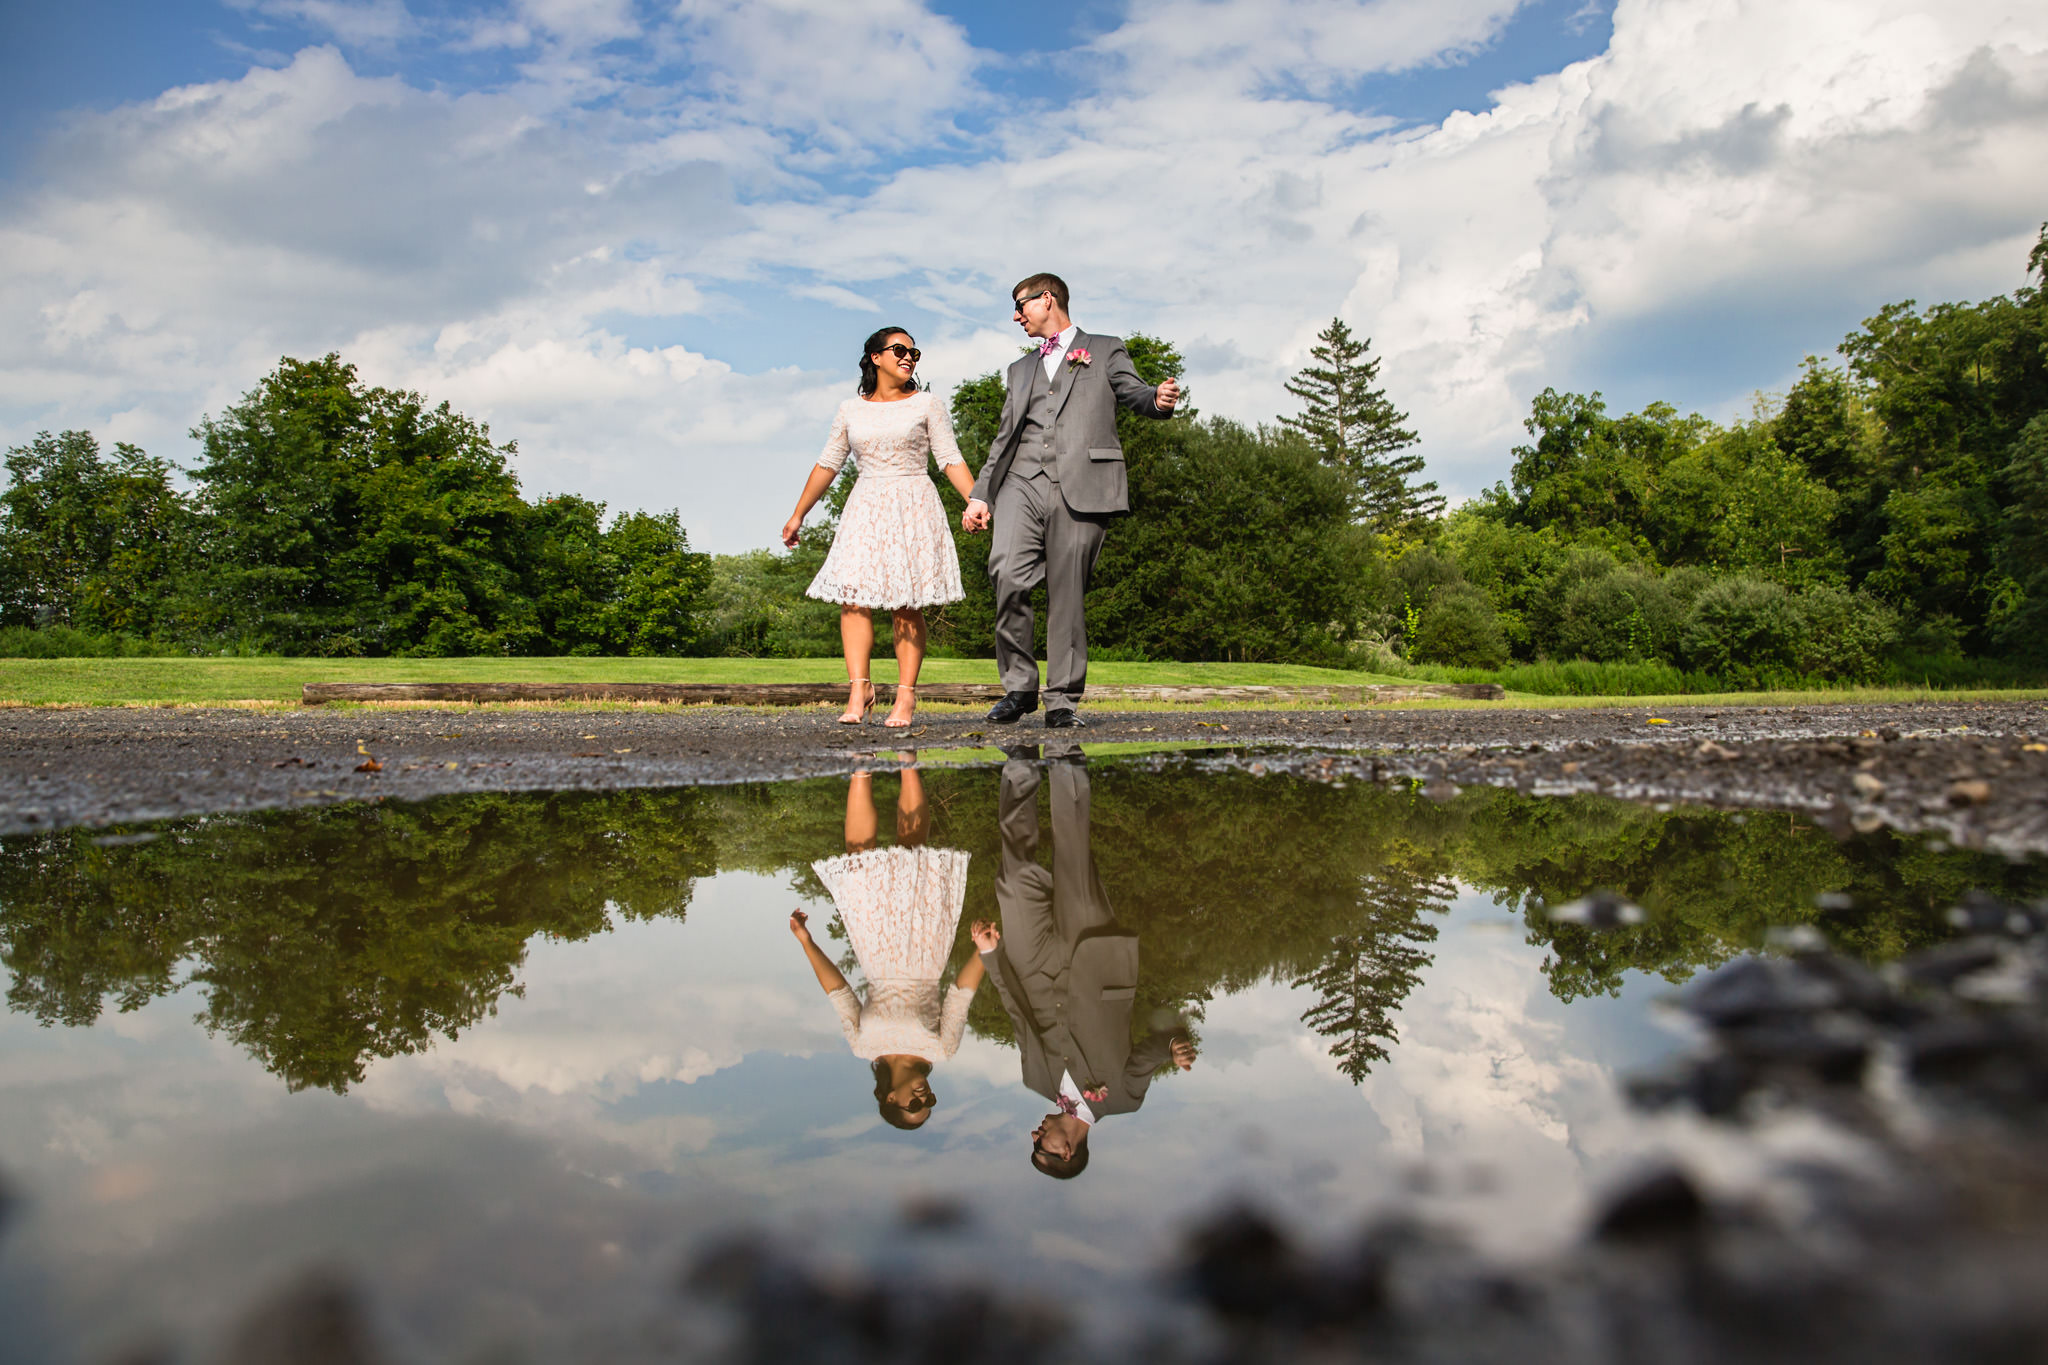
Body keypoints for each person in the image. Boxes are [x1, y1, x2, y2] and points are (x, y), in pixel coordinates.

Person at [960, 275, 1182, 729]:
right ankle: (1020, 687)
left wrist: (1156, 401)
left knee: (1067, 593)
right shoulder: (1019, 370)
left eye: (1020, 306)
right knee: (1006, 572)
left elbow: (1134, 392)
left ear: (1047, 300)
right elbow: (1005, 438)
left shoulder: (1104, 349)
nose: (1016, 316)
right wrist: (981, 493)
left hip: (1083, 483)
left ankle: (1061, 700)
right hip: (1021, 482)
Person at [971, 751, 1194, 1177]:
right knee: (1073, 852)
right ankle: (1065, 758)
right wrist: (1174, 1049)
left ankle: (1019, 762)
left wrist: (990, 955)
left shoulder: (1035, 1081)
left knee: (1014, 877)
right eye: (1042, 1148)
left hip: (1032, 965)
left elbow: (1018, 1016)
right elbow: (1151, 1053)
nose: (1035, 1137)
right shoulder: (1124, 1100)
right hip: (1093, 960)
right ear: (1066, 1152)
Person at [785, 327, 979, 727]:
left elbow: (949, 458)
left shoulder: (927, 404)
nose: (909, 357)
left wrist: (975, 500)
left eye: (914, 352)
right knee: (853, 598)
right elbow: (828, 464)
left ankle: (905, 697)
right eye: (899, 350)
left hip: (913, 503)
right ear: (875, 357)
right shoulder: (850, 409)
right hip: (866, 507)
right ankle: (860, 689)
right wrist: (798, 514)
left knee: (905, 603)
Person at [789, 764, 983, 1130]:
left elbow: (839, 993)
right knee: (913, 853)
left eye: (915, 1104)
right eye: (930, 1102)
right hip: (926, 952)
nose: (924, 1096)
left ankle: (860, 767)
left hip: (874, 951)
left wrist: (807, 942)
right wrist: (983, 953)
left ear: (891, 1098)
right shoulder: (941, 1051)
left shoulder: (863, 1047)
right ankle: (908, 761)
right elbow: (960, 996)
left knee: (859, 859)